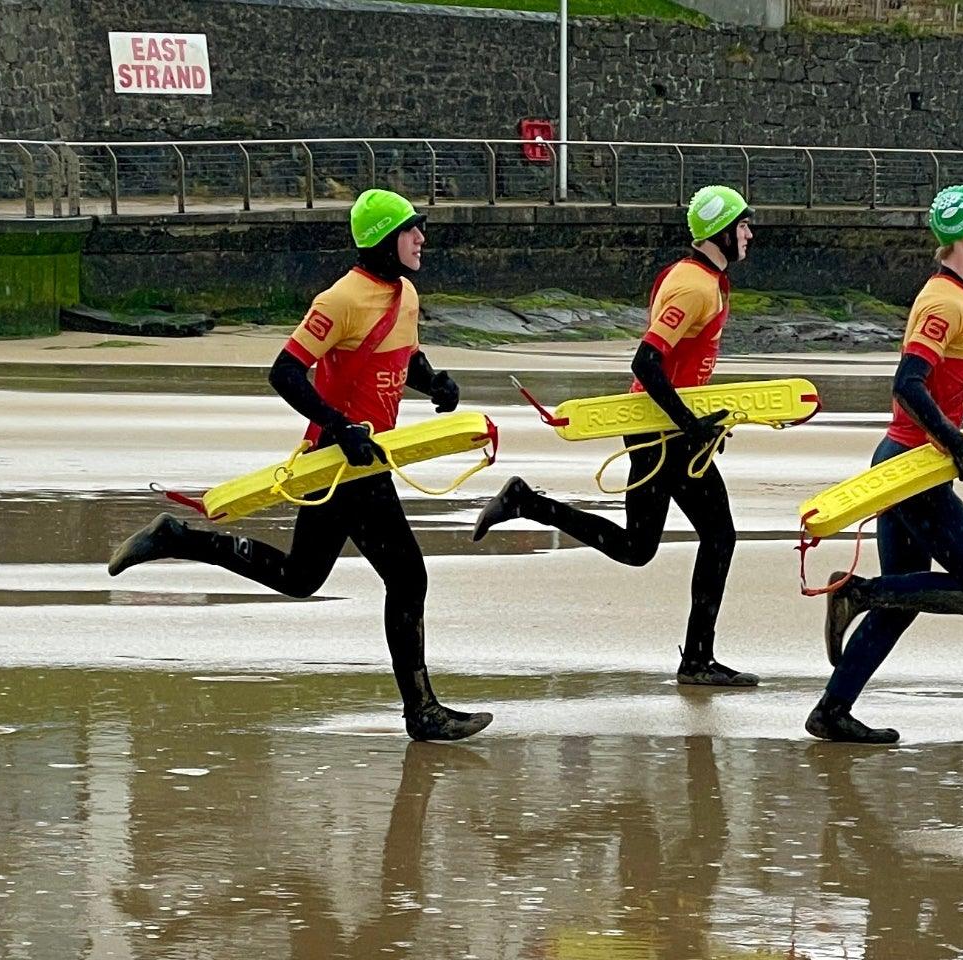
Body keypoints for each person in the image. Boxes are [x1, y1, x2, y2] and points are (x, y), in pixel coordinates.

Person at [106, 189, 490, 742]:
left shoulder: (405, 294)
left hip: (362, 460)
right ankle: (421, 712)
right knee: (408, 577)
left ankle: (179, 538)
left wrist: (435, 384)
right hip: (340, 461)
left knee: (300, 577)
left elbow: (405, 356)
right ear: (385, 239)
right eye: (411, 229)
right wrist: (338, 427)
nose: (421, 238)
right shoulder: (339, 300)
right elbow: (285, 371)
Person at [468, 185, 755, 688]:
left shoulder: (702, 279)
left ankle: (526, 502)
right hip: (659, 433)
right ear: (721, 232)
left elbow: (680, 368)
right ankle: (697, 660)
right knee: (704, 537)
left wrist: (701, 421)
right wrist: (690, 424)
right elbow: (646, 361)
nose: (750, 234)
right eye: (744, 225)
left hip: (666, 430)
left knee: (646, 544)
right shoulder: (693, 286)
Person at [806, 185, 963, 745]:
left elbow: (940, 390)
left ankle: (832, 712)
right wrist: (958, 447)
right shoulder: (943, 302)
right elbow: (907, 384)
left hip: (904, 463)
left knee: (906, 596)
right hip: (913, 467)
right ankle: (857, 592)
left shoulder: (956, 296)